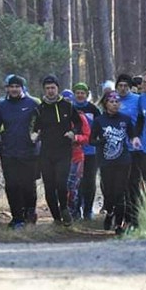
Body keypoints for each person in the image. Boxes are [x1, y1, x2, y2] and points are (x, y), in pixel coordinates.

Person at [0, 75, 40, 229]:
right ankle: (17, 217)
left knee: (27, 184)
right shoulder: (1, 106)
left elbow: (41, 124)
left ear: (22, 88)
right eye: (11, 87)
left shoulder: (33, 104)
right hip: (8, 152)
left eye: (17, 87)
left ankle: (29, 213)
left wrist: (37, 136)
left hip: (29, 152)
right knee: (11, 185)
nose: (14, 89)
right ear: (7, 88)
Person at [33, 75, 83, 226]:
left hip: (63, 151)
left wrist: (73, 133)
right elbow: (36, 126)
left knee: (61, 183)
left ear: (58, 89)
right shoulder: (40, 108)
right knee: (49, 186)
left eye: (53, 88)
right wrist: (35, 134)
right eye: (47, 88)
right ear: (44, 90)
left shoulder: (67, 105)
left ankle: (64, 209)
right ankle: (56, 218)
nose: (50, 91)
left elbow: (79, 123)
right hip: (46, 152)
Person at [90, 91, 134, 235]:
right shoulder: (99, 121)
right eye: (111, 102)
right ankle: (109, 213)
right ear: (105, 104)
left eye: (117, 102)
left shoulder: (125, 119)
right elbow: (91, 140)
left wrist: (136, 140)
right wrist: (100, 141)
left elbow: (132, 135)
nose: (115, 104)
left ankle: (119, 224)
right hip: (105, 161)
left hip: (123, 160)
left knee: (120, 193)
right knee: (109, 193)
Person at [114, 73, 142, 228]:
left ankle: (134, 218)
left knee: (133, 183)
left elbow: (143, 120)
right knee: (120, 185)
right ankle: (122, 218)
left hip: (135, 148)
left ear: (130, 87)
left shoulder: (138, 100)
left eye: (126, 86)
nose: (123, 89)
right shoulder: (112, 100)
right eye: (120, 86)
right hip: (117, 148)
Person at [71, 82, 102, 220]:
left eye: (82, 93)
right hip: (75, 151)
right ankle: (75, 209)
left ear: (87, 94)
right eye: (77, 92)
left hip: (91, 150)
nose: (80, 95)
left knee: (89, 181)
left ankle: (88, 210)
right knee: (75, 182)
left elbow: (100, 127)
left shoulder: (93, 109)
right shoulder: (69, 108)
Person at [61, 89, 91, 221]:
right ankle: (65, 212)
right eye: (64, 100)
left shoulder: (80, 116)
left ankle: (74, 213)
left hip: (76, 157)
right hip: (59, 157)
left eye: (69, 100)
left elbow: (87, 137)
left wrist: (76, 138)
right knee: (61, 186)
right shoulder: (56, 116)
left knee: (73, 187)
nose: (67, 103)